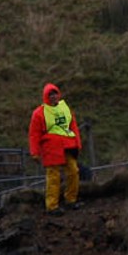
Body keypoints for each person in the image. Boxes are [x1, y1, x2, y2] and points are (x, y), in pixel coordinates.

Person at [28, 83, 82, 211]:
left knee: (74, 171)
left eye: (55, 94)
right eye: (50, 95)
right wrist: (34, 152)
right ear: (46, 97)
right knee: (53, 177)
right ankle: (52, 206)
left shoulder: (65, 108)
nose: (53, 97)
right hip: (51, 148)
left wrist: (78, 143)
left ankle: (71, 200)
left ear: (59, 94)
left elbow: (73, 126)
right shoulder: (39, 113)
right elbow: (34, 134)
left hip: (68, 145)